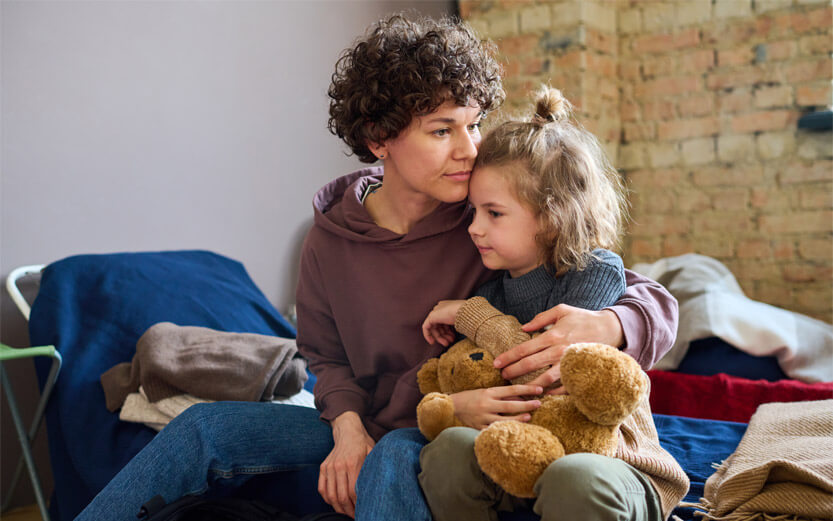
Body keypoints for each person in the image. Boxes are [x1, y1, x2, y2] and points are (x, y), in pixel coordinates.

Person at [74, 14, 678, 521]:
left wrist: (607, 326)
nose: (468, 149)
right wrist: (345, 427)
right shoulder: (329, 241)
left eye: (472, 125)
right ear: (379, 139)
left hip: (441, 421)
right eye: (442, 130)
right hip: (373, 418)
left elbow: (633, 288)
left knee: (394, 458)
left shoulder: (485, 221)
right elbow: (325, 357)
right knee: (204, 427)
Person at [416, 87, 688, 521]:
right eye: (473, 212)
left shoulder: (594, 271)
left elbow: (547, 372)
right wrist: (460, 405)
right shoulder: (491, 294)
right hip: (520, 456)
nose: (474, 228)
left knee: (572, 477)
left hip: (609, 461)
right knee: (448, 449)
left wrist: (472, 316)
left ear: (551, 217)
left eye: (494, 213)